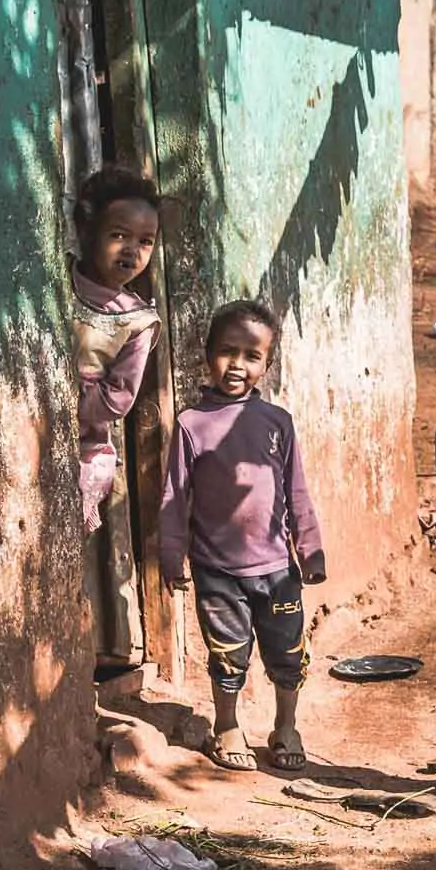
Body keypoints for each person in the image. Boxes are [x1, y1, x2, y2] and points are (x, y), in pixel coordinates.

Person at [159, 301, 328, 773]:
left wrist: (310, 549)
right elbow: (175, 496)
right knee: (228, 654)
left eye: (252, 356)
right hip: (217, 570)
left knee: (287, 652)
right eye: (227, 352)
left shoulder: (278, 423)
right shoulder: (192, 425)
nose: (238, 365)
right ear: (208, 354)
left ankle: (286, 725)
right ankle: (227, 724)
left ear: (266, 364)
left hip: (277, 570)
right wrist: (172, 556)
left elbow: (296, 490)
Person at [72, 167, 162, 672]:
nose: (132, 251)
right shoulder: (59, 285)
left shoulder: (136, 321)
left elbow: (119, 398)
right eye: (119, 235)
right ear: (87, 228)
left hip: (87, 445)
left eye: (145, 242)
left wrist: (67, 404)